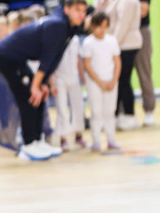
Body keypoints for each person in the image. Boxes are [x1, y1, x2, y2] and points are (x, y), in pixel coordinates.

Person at [0, 0, 89, 161]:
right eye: (77, 10)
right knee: (29, 99)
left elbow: (55, 58)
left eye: (84, 11)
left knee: (39, 99)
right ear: (66, 9)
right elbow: (47, 58)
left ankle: (38, 141)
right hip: (6, 57)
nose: (82, 14)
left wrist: (42, 84)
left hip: (18, 59)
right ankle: (29, 145)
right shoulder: (57, 25)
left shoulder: (69, 27)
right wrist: (36, 85)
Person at [82, 11, 121, 151]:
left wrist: (113, 80)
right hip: (95, 82)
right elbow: (87, 64)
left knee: (110, 111)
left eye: (105, 26)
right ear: (92, 26)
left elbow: (117, 62)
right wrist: (99, 82)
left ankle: (111, 139)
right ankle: (96, 141)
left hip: (111, 81)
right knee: (96, 112)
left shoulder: (112, 40)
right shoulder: (88, 42)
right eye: (99, 26)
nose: (102, 30)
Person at [103, 0, 141, 130]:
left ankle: (130, 115)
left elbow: (123, 24)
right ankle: (116, 115)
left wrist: (112, 45)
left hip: (126, 44)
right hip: (120, 44)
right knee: (120, 81)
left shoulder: (128, 2)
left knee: (124, 80)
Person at [51, 30, 86, 150]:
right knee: (62, 108)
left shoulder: (75, 39)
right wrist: (52, 82)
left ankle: (79, 136)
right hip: (59, 78)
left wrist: (82, 76)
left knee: (78, 106)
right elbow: (51, 61)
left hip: (74, 78)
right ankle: (63, 138)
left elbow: (77, 58)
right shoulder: (55, 39)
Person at [136, 0, 155, 125]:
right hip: (121, 32)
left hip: (141, 31)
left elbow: (143, 10)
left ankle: (149, 111)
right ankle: (124, 112)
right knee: (122, 76)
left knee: (144, 73)